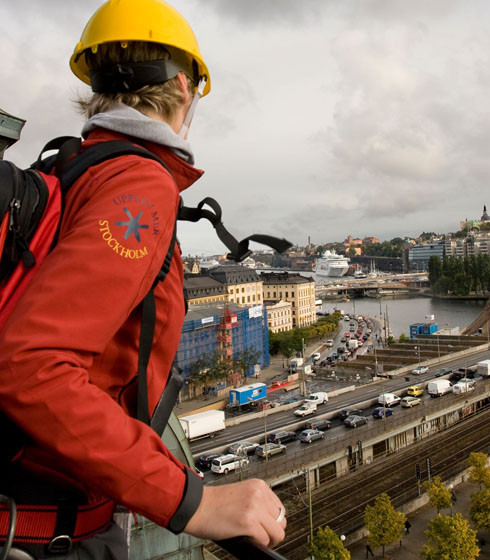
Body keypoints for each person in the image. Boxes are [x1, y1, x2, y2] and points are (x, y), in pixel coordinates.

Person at [0, 0, 285, 557]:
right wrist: (193, 502)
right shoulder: (138, 184)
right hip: (51, 529)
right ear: (184, 87)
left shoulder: (73, 167)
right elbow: (30, 365)